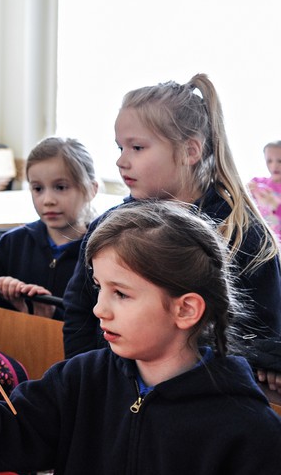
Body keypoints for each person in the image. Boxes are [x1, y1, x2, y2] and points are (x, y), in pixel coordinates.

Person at [0, 200, 281, 474]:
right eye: (99, 289)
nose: (99, 309)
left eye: (120, 294)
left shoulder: (248, 430)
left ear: (185, 310)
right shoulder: (81, 379)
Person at [61, 75, 281, 393]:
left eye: (137, 147)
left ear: (190, 151)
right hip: (115, 396)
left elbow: (263, 334)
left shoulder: (243, 235)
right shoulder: (111, 226)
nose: (121, 161)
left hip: (206, 404)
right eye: (120, 147)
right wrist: (88, 386)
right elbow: (80, 309)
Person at [0, 137, 99, 319]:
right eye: (38, 188)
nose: (47, 200)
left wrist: (52, 314)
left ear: (91, 190)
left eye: (60, 187)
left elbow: (100, 322)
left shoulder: (100, 253)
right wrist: (5, 295)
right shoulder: (11, 244)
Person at [248, 140, 281, 241]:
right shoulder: (257, 182)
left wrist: (277, 206)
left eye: (280, 161)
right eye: (269, 161)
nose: (274, 166)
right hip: (262, 241)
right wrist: (247, 191)